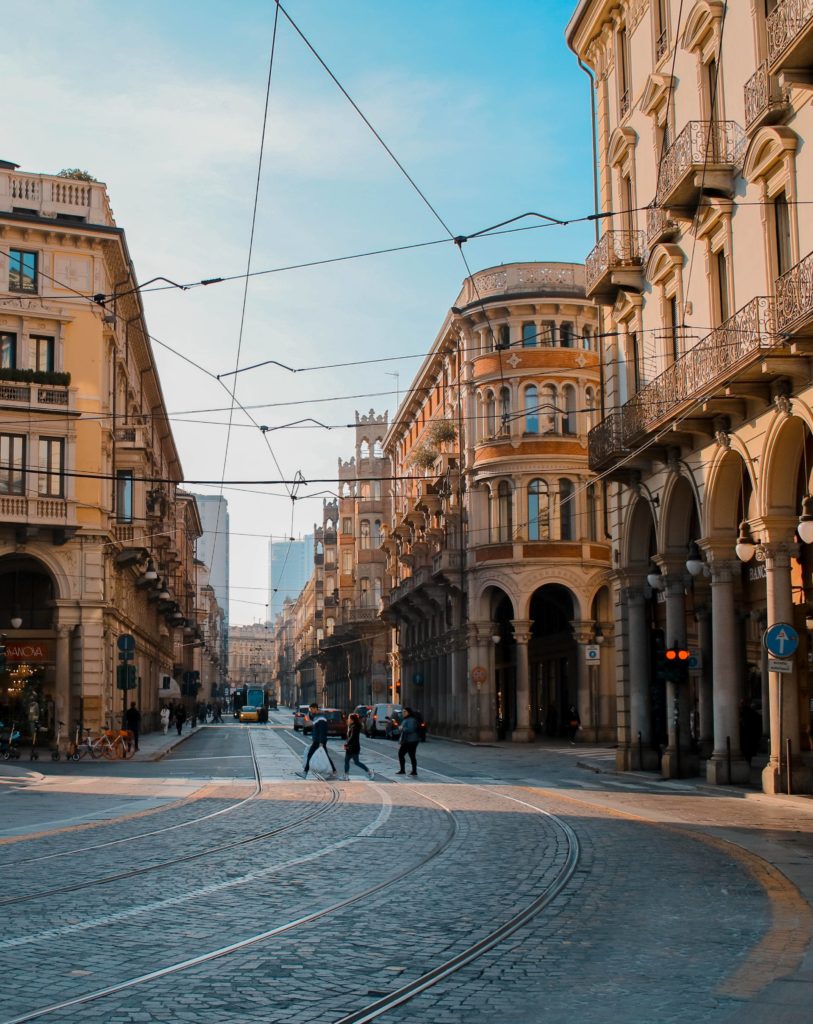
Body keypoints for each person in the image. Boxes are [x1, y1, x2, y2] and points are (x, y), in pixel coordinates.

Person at [303, 702, 336, 777]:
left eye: (311, 709)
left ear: (315, 708)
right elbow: (310, 720)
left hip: (319, 741)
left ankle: (305, 772)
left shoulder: (321, 718)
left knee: (310, 754)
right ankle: (334, 771)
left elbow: (322, 730)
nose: (310, 711)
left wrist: (321, 742)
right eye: (310, 709)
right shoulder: (316, 716)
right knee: (325, 755)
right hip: (317, 740)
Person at [343, 713, 374, 780]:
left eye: (349, 718)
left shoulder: (355, 727)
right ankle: (346, 776)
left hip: (353, 747)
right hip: (351, 747)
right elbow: (349, 737)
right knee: (347, 761)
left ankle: (370, 772)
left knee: (356, 762)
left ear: (352, 720)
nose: (348, 720)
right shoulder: (352, 726)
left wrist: (347, 744)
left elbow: (352, 737)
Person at [396, 706, 420, 776]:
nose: (403, 713)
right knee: (401, 754)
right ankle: (403, 770)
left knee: (411, 755)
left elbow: (411, 729)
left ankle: (413, 771)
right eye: (403, 712)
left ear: (408, 712)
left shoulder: (411, 720)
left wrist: (402, 728)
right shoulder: (405, 719)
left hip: (412, 740)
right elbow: (402, 729)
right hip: (406, 740)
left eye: (405, 712)